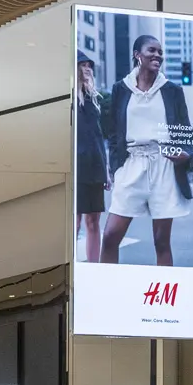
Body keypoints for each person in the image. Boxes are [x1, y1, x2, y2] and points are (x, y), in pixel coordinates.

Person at [101, 35, 193, 267]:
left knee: (161, 241)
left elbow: (185, 131)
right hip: (132, 164)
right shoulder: (120, 89)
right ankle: (105, 289)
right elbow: (113, 133)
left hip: (163, 165)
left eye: (160, 52)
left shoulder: (172, 90)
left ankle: (163, 297)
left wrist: (186, 154)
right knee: (110, 236)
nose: (157, 55)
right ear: (137, 55)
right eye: (152, 50)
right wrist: (117, 167)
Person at [75, 50, 110, 262]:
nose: (87, 68)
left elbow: (99, 135)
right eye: (83, 64)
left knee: (94, 221)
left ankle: (93, 267)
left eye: (89, 65)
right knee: (76, 221)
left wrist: (106, 170)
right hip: (77, 166)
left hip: (95, 165)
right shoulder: (69, 97)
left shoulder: (94, 99)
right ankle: (71, 266)